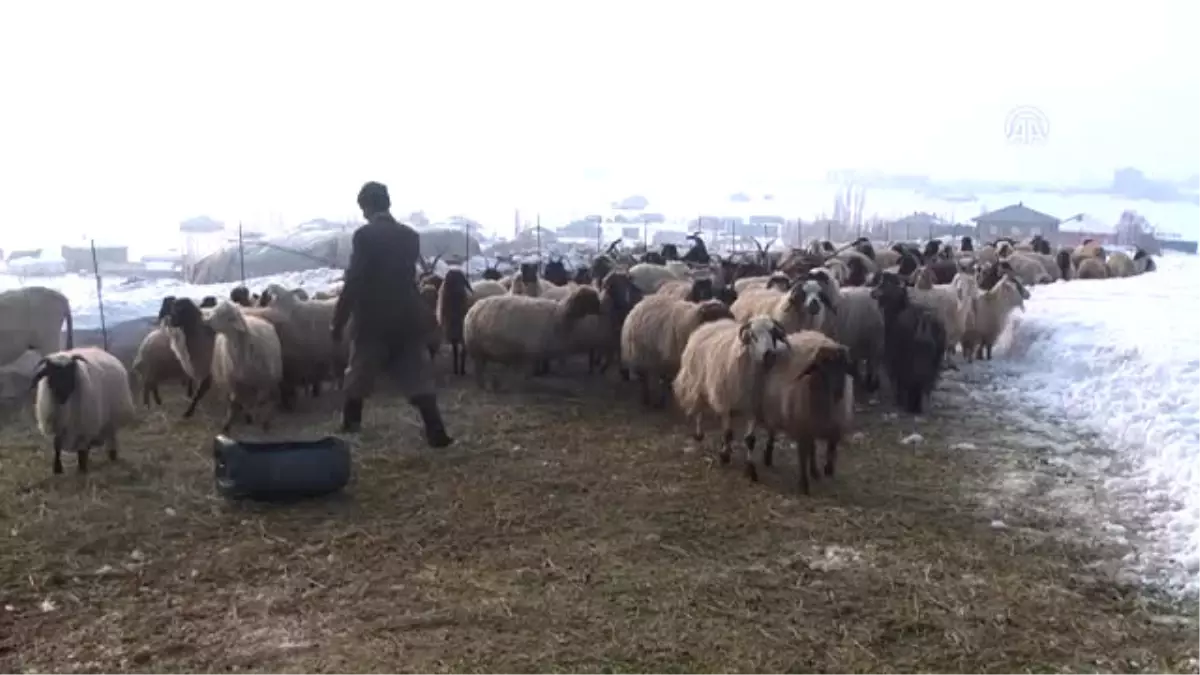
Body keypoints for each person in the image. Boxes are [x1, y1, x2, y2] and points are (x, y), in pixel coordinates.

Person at [330, 181, 452, 447]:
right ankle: (436, 431)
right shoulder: (410, 236)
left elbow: (355, 281)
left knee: (359, 372)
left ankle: (351, 426)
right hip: (407, 314)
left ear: (367, 206)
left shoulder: (364, 236)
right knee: (416, 372)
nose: (362, 214)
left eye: (363, 208)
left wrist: (338, 322)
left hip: (373, 318)